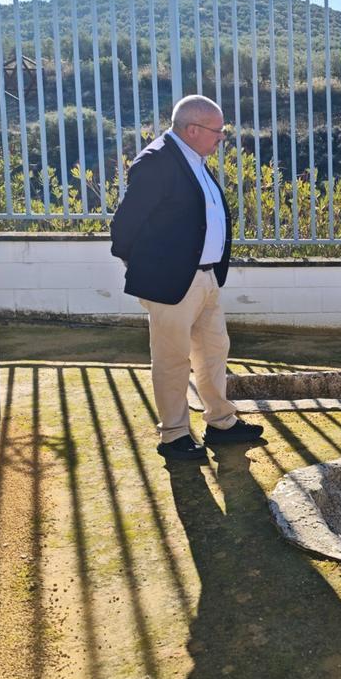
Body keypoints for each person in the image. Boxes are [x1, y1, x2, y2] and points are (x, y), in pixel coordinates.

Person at [110, 95, 264, 460]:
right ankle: (174, 434)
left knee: (214, 351)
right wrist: (147, 268)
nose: (222, 137)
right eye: (217, 131)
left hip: (206, 278)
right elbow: (125, 225)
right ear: (193, 129)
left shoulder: (193, 159)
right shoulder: (157, 161)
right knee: (172, 359)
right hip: (171, 282)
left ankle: (221, 422)